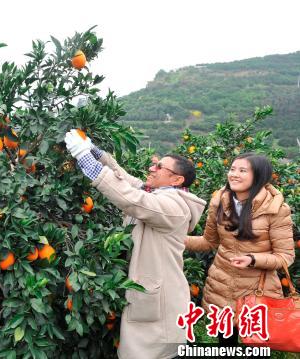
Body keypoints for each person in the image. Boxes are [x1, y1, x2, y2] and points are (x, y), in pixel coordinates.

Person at [64, 129, 206, 359]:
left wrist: (86, 160)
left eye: (160, 167)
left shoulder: (175, 207)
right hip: (155, 295)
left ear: (177, 180)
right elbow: (127, 181)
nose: (152, 167)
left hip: (160, 302)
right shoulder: (159, 194)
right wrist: (96, 153)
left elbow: (132, 199)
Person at [185, 152, 294, 346]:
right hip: (222, 288)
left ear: (258, 176)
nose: (234, 174)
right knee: (226, 344)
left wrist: (253, 259)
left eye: (242, 170)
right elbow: (209, 241)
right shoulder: (220, 201)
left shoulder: (276, 209)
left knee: (257, 347)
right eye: (232, 169)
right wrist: (176, 240)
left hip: (257, 291)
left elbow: (285, 257)